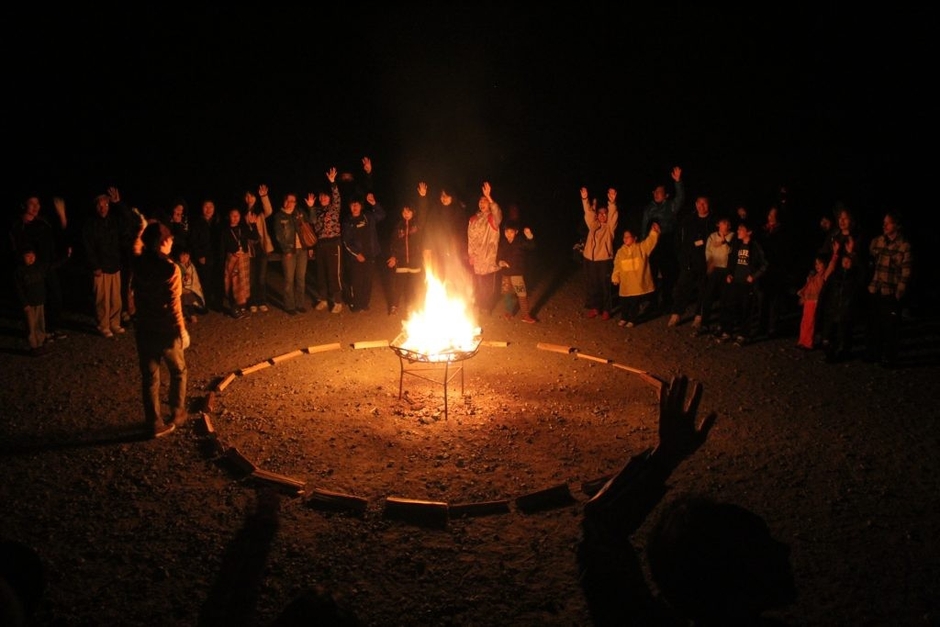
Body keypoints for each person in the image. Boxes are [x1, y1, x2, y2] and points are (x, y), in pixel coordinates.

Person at [132, 221, 189, 438]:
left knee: (150, 377)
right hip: (165, 331)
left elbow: (136, 248)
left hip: (144, 328)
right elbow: (174, 304)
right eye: (170, 238)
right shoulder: (170, 268)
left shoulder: (139, 262)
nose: (173, 241)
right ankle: (177, 411)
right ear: (164, 241)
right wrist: (182, 330)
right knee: (179, 371)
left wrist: (141, 231)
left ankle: (153, 423)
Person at [82, 187, 135, 338]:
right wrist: (95, 266)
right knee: (102, 299)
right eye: (99, 205)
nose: (103, 207)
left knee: (115, 298)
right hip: (101, 268)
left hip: (114, 264)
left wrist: (119, 204)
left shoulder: (114, 220)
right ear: (95, 206)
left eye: (105, 204)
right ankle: (103, 325)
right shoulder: (90, 224)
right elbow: (88, 247)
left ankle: (114, 323)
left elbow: (128, 220)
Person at [865, 211, 912, 367]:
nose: (884, 225)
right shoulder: (879, 241)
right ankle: (874, 353)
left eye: (888, 222)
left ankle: (889, 357)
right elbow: (871, 253)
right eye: (884, 222)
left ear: (897, 225)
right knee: (874, 324)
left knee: (890, 327)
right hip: (876, 289)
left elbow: (906, 271)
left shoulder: (904, 246)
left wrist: (899, 292)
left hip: (890, 292)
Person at [640, 166, 684, 313]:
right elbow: (644, 227)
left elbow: (680, 198)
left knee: (668, 275)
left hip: (667, 244)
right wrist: (641, 247)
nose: (656, 194)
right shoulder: (648, 208)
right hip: (652, 246)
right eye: (655, 192)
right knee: (651, 274)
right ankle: (651, 302)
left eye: (659, 192)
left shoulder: (671, 206)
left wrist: (678, 182)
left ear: (666, 195)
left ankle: (667, 301)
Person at [718, 220, 768, 346]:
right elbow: (732, 260)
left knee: (746, 309)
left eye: (741, 229)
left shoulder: (755, 246)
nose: (738, 231)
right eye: (738, 229)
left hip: (747, 284)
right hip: (735, 281)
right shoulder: (737, 244)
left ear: (749, 232)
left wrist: (754, 276)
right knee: (730, 306)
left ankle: (743, 335)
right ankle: (727, 332)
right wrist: (729, 273)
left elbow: (764, 264)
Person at [668, 195, 716, 329]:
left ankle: (699, 316)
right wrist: (682, 257)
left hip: (707, 262)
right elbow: (679, 239)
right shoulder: (688, 220)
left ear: (709, 205)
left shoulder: (714, 221)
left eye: (704, 204)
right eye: (699, 203)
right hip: (689, 261)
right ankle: (676, 313)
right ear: (695, 204)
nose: (702, 206)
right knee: (682, 287)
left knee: (703, 290)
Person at [342, 192, 386, 312]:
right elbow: (346, 241)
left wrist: (374, 204)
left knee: (368, 280)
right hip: (356, 257)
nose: (355, 207)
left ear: (361, 206)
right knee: (356, 281)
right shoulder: (347, 221)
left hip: (370, 253)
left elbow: (381, 215)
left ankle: (364, 303)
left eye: (357, 204)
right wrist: (357, 254)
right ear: (349, 206)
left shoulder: (368, 216)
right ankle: (356, 304)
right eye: (352, 205)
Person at [580, 186, 618, 320]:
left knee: (604, 284)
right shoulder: (593, 224)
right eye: (600, 213)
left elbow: (614, 215)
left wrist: (612, 203)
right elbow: (588, 212)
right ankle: (595, 307)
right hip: (589, 259)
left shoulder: (610, 228)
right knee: (592, 283)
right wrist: (585, 199)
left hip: (604, 260)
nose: (602, 215)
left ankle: (607, 309)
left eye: (604, 213)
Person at [611, 223, 659, 328]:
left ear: (635, 238)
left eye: (628, 237)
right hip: (625, 284)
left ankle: (632, 319)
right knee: (624, 302)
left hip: (637, 284)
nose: (625, 239)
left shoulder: (641, 248)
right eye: (624, 237)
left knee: (634, 303)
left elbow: (650, 242)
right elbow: (617, 265)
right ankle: (624, 317)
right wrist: (615, 277)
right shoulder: (621, 251)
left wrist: (654, 232)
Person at [417, 181, 467, 284]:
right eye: (442, 196)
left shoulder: (458, 211)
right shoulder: (436, 210)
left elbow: (462, 232)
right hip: (437, 251)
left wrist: (456, 247)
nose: (443, 198)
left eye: (446, 195)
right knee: (438, 277)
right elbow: (424, 218)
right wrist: (423, 198)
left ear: (452, 196)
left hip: (453, 252)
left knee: (453, 278)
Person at [273, 192, 313, 315]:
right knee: (289, 279)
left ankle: (299, 304)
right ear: (284, 201)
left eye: (293, 201)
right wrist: (286, 250)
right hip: (289, 252)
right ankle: (289, 305)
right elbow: (279, 235)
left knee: (301, 278)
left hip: (303, 250)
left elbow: (311, 222)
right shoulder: (279, 216)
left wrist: (310, 208)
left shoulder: (298, 212)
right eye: (289, 200)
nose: (291, 203)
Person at [467, 181, 503, 317]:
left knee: (488, 286)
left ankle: (487, 307)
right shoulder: (473, 219)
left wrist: (489, 197)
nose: (482, 204)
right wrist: (470, 254)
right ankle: (480, 304)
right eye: (480, 201)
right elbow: (470, 238)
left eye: (484, 201)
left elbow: (498, 213)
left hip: (489, 257)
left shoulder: (492, 218)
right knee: (478, 284)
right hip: (476, 258)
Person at [311, 167, 344, 314]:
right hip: (320, 244)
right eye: (321, 197)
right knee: (321, 273)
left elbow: (337, 197)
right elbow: (312, 223)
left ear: (329, 198)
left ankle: (337, 301)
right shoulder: (316, 211)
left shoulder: (334, 208)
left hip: (333, 243)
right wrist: (311, 207)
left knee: (333, 273)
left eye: (326, 196)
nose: (324, 199)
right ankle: (323, 299)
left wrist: (332, 183)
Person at [795, 244, 839, 350]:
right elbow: (808, 288)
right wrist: (804, 297)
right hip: (808, 301)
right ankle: (802, 340)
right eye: (816, 264)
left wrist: (835, 254)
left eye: (820, 263)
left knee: (811, 323)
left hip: (815, 302)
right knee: (805, 322)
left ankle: (808, 343)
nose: (817, 266)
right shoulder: (814, 276)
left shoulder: (824, 275)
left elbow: (831, 266)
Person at [385, 202, 423, 316]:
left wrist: (422, 198)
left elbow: (423, 209)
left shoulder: (417, 225)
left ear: (413, 212)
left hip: (415, 261)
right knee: (398, 286)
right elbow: (393, 243)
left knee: (414, 286)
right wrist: (393, 256)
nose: (406, 214)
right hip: (401, 261)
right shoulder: (399, 226)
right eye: (404, 212)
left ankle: (413, 306)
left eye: (409, 211)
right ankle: (394, 306)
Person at [698, 216, 734, 336]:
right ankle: (704, 324)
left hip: (725, 270)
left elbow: (732, 252)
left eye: (727, 223)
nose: (725, 226)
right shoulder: (712, 236)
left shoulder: (732, 236)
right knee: (708, 297)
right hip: (714, 269)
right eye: (723, 223)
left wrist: (724, 241)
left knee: (724, 299)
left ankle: (722, 325)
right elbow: (708, 251)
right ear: (718, 224)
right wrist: (710, 264)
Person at [497, 221, 537, 323]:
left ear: (516, 232)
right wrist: (499, 262)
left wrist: (529, 237)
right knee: (507, 294)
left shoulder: (520, 241)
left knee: (522, 294)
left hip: (517, 273)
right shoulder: (502, 243)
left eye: (511, 232)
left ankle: (525, 315)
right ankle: (509, 312)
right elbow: (498, 256)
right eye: (506, 232)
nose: (509, 234)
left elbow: (531, 246)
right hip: (506, 273)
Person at [243, 184, 274, 313]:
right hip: (249, 249)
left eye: (252, 196)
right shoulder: (242, 213)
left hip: (261, 247)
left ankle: (262, 301)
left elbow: (269, 211)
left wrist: (264, 196)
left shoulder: (260, 213)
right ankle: (252, 302)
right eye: (247, 196)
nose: (249, 198)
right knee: (250, 278)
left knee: (261, 277)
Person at [220, 207, 255, 319]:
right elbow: (222, 247)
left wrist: (253, 225)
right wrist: (232, 252)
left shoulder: (243, 228)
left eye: (237, 215)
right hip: (232, 258)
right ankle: (233, 308)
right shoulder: (225, 230)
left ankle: (242, 306)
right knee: (232, 282)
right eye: (232, 215)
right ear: (229, 217)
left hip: (243, 258)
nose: (235, 218)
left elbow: (254, 236)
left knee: (243, 282)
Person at [189, 199, 222, 312]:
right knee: (205, 280)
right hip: (204, 256)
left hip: (217, 255)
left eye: (211, 207)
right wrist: (199, 255)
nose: (208, 210)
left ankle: (217, 303)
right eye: (206, 207)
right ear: (202, 208)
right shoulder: (197, 223)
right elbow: (193, 241)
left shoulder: (217, 221)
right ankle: (205, 303)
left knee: (217, 279)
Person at [13, 247, 48, 356]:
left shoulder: (38, 268)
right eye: (28, 256)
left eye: (33, 256)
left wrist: (66, 256)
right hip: (29, 304)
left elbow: (52, 265)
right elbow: (18, 289)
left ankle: (41, 342)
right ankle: (34, 346)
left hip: (39, 300)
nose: (31, 258)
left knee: (40, 323)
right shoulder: (20, 271)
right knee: (31, 325)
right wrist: (24, 303)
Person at [175, 248, 206, 323]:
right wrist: (183, 280)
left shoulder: (191, 266)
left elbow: (195, 279)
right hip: (180, 289)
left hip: (191, 289)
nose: (184, 258)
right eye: (182, 256)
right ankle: (188, 316)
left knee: (189, 298)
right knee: (184, 298)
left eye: (186, 256)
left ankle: (190, 314)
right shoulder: (177, 266)